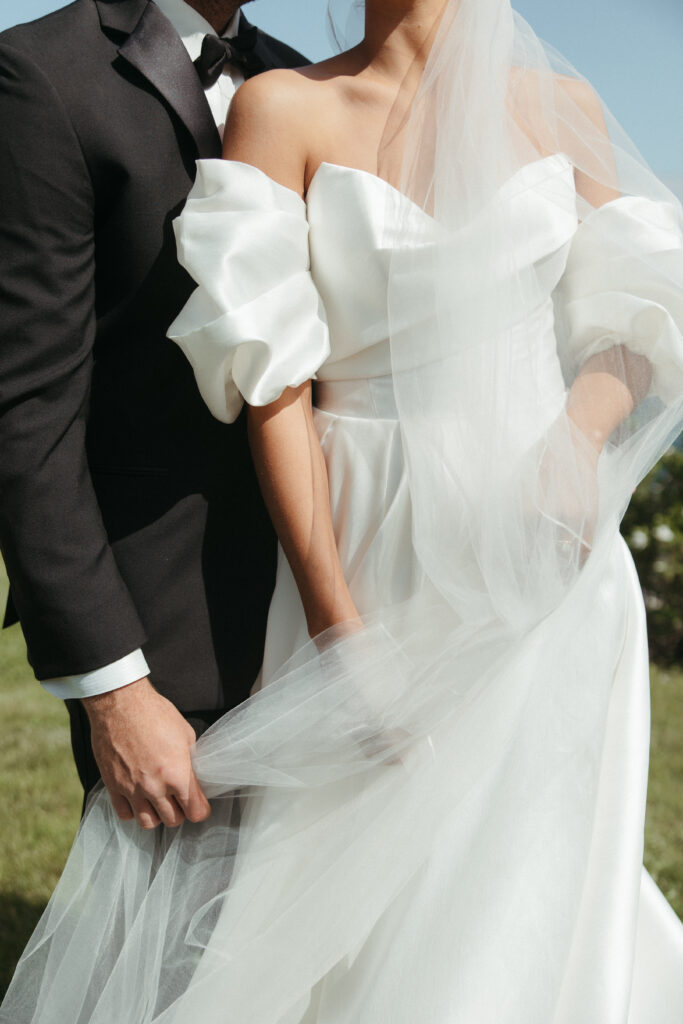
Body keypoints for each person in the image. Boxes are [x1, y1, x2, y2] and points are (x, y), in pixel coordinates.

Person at [3, 0, 683, 1020]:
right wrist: (332, 621)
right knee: (345, 914)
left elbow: (644, 301)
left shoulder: (558, 104)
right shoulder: (277, 103)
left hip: (547, 570)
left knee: (529, 890)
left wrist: (576, 441)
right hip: (364, 551)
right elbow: (263, 383)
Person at [0, 0, 306, 831]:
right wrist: (113, 688)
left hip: (319, 605)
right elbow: (27, 414)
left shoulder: (301, 76)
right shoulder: (39, 73)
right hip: (163, 628)